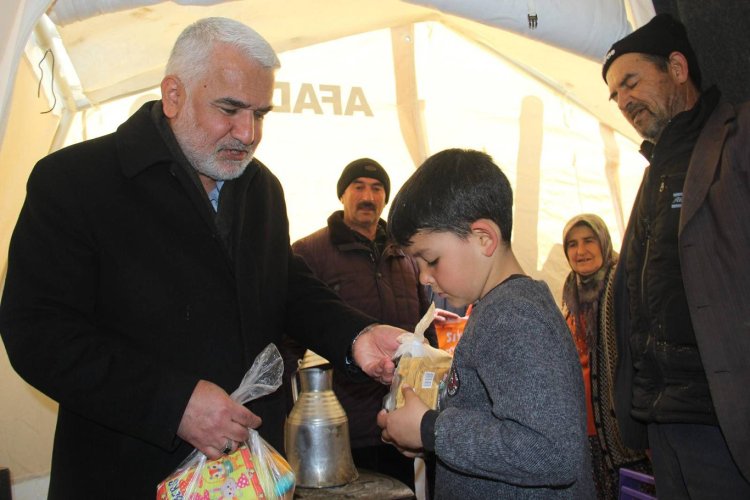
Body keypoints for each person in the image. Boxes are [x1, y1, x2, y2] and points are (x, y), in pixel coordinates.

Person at [0, 18, 404, 499]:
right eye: (230, 109)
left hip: (254, 474)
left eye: (260, 114)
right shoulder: (75, 182)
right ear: (174, 95)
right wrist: (174, 405)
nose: (248, 133)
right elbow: (38, 334)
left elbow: (285, 284)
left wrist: (355, 335)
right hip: (129, 474)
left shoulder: (261, 189)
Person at [377, 148, 595, 499]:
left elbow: (553, 450)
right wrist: (425, 437)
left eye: (430, 260)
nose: (423, 279)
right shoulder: (498, 308)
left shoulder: (514, 315)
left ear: (484, 239)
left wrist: (432, 430)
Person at [603, 13, 750, 497]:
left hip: (724, 418)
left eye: (631, 83)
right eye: (615, 94)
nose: (623, 101)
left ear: (678, 68)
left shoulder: (737, 138)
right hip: (663, 421)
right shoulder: (656, 169)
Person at [283, 158, 436, 490]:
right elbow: (287, 338)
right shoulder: (309, 252)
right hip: (340, 427)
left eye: (377, 188)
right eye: (359, 187)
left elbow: (426, 330)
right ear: (342, 195)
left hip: (399, 422)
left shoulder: (407, 256)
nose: (368, 196)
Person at [561, 214, 650, 499]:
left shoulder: (623, 283)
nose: (580, 251)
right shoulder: (571, 289)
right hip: (584, 428)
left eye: (588, 241)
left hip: (620, 429)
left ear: (603, 241)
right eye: (572, 244)